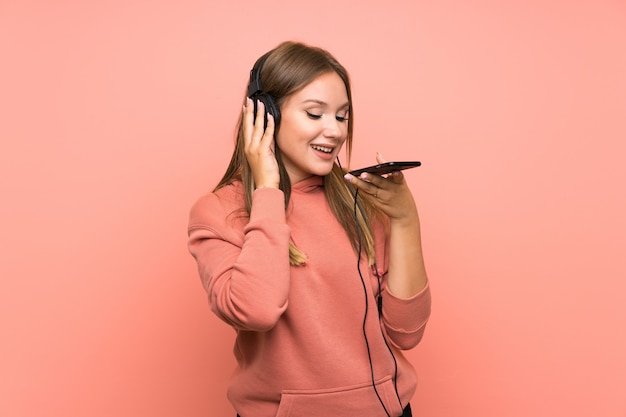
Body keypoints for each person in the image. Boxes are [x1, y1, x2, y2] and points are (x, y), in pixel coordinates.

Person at [187, 41, 431, 417]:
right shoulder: (220, 212)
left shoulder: (359, 202)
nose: (333, 131)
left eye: (342, 116)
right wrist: (267, 190)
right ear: (265, 115)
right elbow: (256, 311)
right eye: (315, 114)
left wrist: (404, 221)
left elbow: (406, 333)